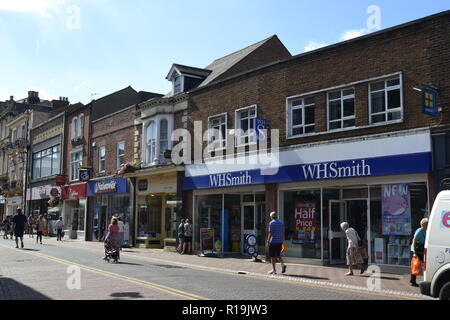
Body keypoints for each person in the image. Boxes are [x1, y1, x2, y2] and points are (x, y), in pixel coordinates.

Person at [410, 218, 428, 287]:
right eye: (427, 224)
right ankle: (413, 281)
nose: (428, 225)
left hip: (421, 249)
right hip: (416, 250)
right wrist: (414, 252)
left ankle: (423, 280)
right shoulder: (419, 231)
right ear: (424, 224)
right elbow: (414, 241)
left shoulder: (426, 230)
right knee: (416, 265)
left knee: (422, 265)